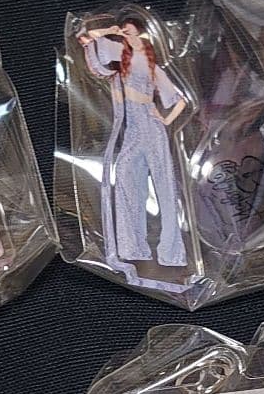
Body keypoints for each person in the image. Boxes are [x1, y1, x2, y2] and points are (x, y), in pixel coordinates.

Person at [77, 16, 189, 271]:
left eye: (133, 32)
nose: (129, 36)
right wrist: (112, 29)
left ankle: (172, 252)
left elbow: (180, 100)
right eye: (126, 32)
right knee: (126, 178)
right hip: (132, 129)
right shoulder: (120, 55)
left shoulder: (153, 67)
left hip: (151, 126)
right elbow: (87, 38)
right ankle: (133, 247)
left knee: (165, 188)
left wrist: (165, 119)